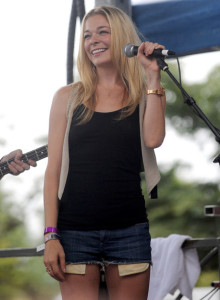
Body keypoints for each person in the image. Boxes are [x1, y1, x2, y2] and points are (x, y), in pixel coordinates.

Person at [43, 5, 166, 300]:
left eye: (102, 32)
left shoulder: (144, 92)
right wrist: (50, 235)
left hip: (129, 231)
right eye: (87, 35)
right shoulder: (67, 98)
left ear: (123, 37)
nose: (93, 40)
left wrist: (153, 76)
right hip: (74, 233)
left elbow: (153, 139)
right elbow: (53, 171)